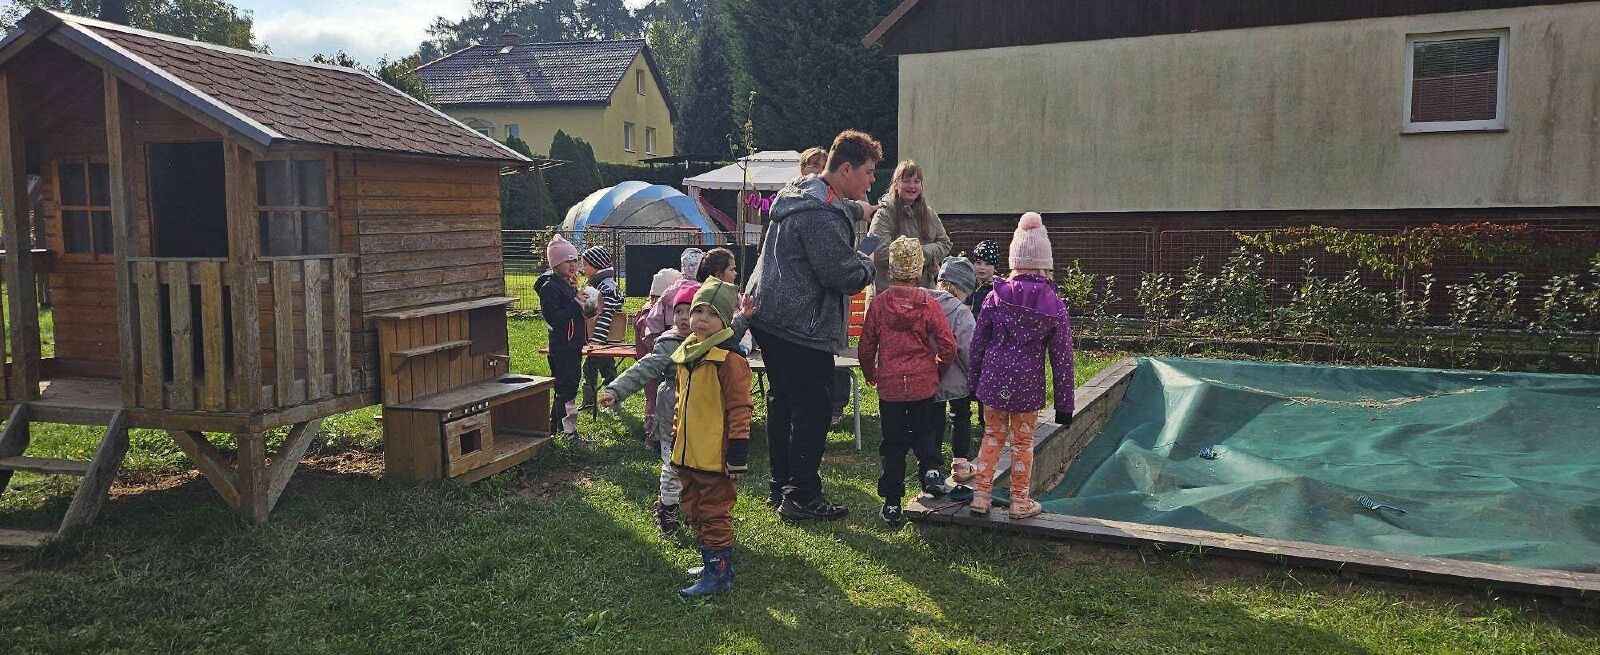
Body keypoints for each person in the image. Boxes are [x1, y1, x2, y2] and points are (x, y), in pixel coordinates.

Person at [747, 130, 879, 521]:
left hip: (770, 313)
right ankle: (802, 495)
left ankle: (781, 486)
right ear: (846, 169)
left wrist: (862, 210)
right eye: (869, 172)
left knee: (783, 401)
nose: (872, 180)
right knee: (813, 408)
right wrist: (869, 263)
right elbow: (843, 275)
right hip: (800, 323)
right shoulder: (820, 215)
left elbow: (838, 206)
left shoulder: (801, 192)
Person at [968, 213, 1075, 520]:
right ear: (1045, 262)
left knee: (992, 436)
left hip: (993, 380)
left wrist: (973, 384)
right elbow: (1062, 359)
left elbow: (977, 344)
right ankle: (1019, 501)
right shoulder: (1054, 304)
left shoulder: (995, 296)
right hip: (1027, 386)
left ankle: (980, 496)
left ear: (1014, 260)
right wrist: (1064, 406)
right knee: (1023, 442)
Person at [859, 236, 956, 526]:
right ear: (920, 270)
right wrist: (937, 371)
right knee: (926, 432)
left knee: (893, 445)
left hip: (890, 386)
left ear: (890, 270)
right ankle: (931, 472)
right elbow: (948, 345)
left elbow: (866, 345)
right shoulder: (928, 303)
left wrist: (870, 372)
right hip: (922, 383)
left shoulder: (879, 304)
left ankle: (892, 503)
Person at [668, 278, 753, 598]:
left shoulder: (729, 360)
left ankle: (719, 574)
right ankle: (712, 561)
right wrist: (676, 436)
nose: (702, 318)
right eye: (697, 311)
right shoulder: (687, 354)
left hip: (715, 457)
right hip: (688, 454)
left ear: (726, 321)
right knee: (693, 508)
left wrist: (737, 452)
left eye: (712, 313)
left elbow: (740, 408)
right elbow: (681, 403)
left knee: (714, 512)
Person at [601, 282, 699, 536]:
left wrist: (743, 318)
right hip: (671, 419)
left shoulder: (708, 342)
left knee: (697, 468)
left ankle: (694, 509)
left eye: (690, 311)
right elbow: (642, 369)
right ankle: (667, 508)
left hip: (701, 420)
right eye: (678, 311)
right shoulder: (669, 344)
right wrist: (615, 390)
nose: (683, 317)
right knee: (673, 467)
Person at [928, 256, 979, 484]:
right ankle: (960, 464)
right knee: (961, 417)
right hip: (957, 379)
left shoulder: (925, 303)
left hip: (929, 376)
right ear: (963, 288)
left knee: (934, 421)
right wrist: (975, 374)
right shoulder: (961, 312)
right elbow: (967, 349)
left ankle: (932, 466)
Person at [866, 160, 952, 292]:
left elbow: (945, 244)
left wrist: (922, 252)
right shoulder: (883, 215)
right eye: (906, 181)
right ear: (896, 184)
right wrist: (919, 256)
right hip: (888, 294)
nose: (912, 186)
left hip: (924, 293)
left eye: (917, 181)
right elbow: (879, 252)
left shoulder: (930, 215)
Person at [534, 234, 585, 438]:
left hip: (572, 344)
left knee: (568, 385)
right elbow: (555, 318)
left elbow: (573, 313)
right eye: (567, 261)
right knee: (567, 387)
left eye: (575, 260)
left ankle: (554, 426)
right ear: (556, 263)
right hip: (563, 346)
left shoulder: (567, 283)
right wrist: (576, 303)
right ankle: (568, 431)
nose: (573, 265)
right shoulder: (550, 287)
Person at [633, 268, 683, 451]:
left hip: (649, 362)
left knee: (653, 398)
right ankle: (652, 437)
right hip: (654, 364)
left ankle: (656, 435)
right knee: (656, 399)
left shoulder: (647, 310)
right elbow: (650, 339)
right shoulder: (651, 314)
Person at [580, 246, 624, 410]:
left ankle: (591, 402)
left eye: (586, 265)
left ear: (597, 265)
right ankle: (613, 401)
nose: (583, 268)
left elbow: (606, 316)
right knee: (607, 369)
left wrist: (597, 341)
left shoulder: (607, 288)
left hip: (602, 338)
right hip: (602, 339)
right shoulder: (598, 284)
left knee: (590, 368)